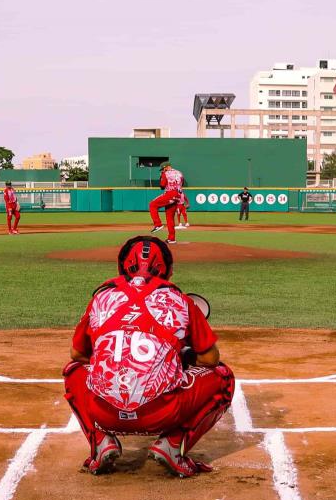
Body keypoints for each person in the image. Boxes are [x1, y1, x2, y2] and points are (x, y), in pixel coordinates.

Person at [63, 235, 235, 478]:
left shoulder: (101, 298)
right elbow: (210, 359)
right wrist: (180, 357)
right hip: (161, 413)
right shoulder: (181, 300)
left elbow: (77, 354)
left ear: (122, 266)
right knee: (224, 378)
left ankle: (100, 442)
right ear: (169, 270)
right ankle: (173, 445)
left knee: (72, 372)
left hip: (104, 412)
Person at [149, 162, 184, 242]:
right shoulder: (179, 173)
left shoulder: (165, 173)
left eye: (163, 168)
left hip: (170, 193)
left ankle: (158, 224)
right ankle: (171, 238)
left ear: (166, 167)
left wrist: (162, 176)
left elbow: (162, 186)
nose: (162, 170)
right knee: (170, 217)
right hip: (178, 195)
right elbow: (182, 184)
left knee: (152, 205)